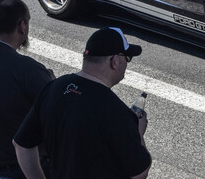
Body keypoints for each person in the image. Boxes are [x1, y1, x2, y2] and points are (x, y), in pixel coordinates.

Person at [13, 27, 152, 179]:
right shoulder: (117, 112)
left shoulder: (54, 88)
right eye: (127, 58)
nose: (127, 64)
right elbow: (140, 172)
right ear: (115, 62)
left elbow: (21, 144)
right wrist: (137, 132)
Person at [0, 0, 54, 179]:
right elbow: (57, 115)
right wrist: (53, 86)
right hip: (17, 171)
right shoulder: (27, 69)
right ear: (22, 26)